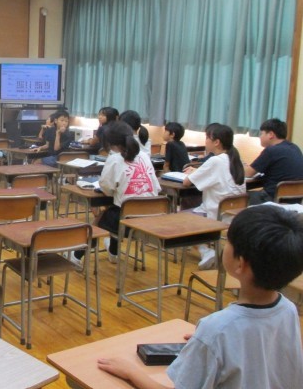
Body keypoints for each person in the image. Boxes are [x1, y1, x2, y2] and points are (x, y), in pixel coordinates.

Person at [98, 205, 303, 389]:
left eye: (228, 241)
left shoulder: (216, 330)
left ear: (240, 264)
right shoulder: (288, 309)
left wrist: (131, 372)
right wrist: (207, 344)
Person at [183, 123, 246, 269]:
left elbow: (186, 182)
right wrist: (197, 172)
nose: (205, 141)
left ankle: (206, 251)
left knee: (179, 218)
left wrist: (193, 172)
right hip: (235, 215)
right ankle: (208, 248)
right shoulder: (235, 160)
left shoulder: (215, 161)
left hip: (216, 215)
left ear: (216, 142)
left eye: (207, 138)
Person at [98, 121, 160, 263]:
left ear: (110, 143)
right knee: (115, 208)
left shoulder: (114, 159)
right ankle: (113, 252)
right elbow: (156, 186)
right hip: (153, 216)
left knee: (100, 219)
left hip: (127, 220)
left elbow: (106, 188)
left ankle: (77, 256)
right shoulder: (144, 156)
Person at [244, 118, 303, 204]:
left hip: (271, 199)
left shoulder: (271, 151)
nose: (260, 137)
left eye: (261, 133)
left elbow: (248, 173)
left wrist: (240, 166)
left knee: (238, 197)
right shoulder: (295, 148)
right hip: (294, 200)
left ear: (271, 134)